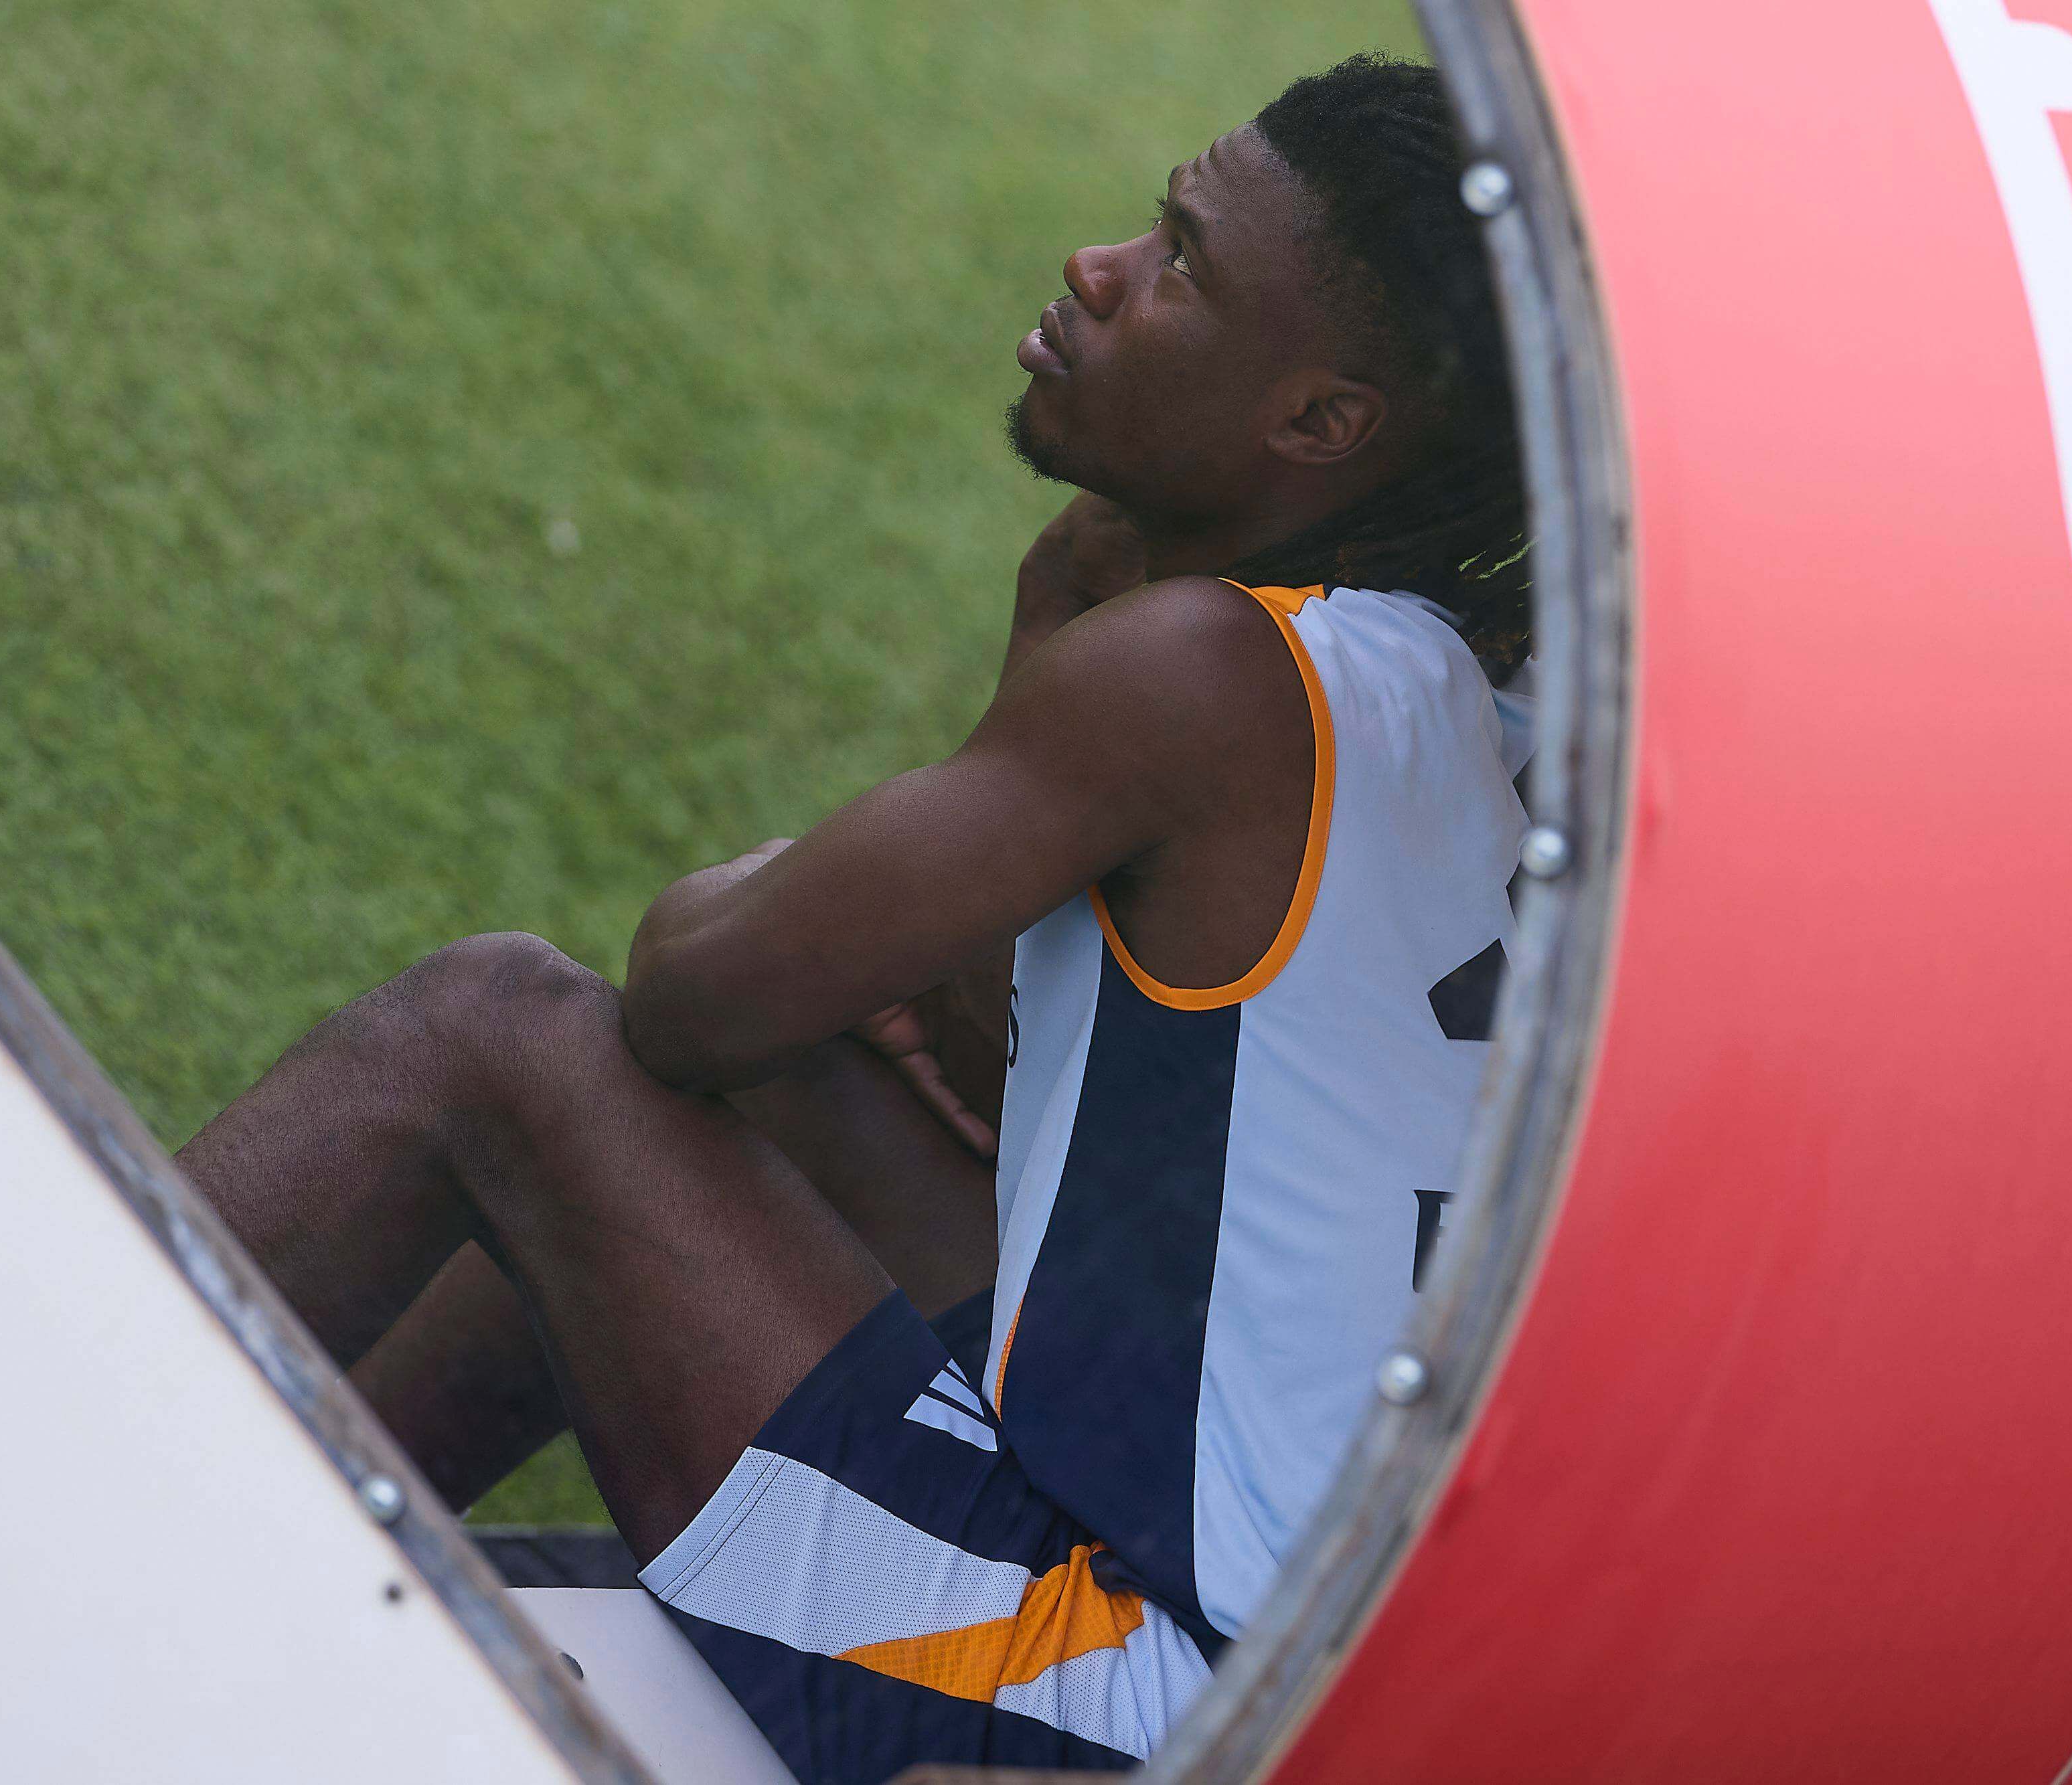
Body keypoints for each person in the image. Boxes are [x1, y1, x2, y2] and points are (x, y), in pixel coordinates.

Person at [177, 53, 1532, 1783]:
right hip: (1288, 1656)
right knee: (799, 1083)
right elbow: (1007, 1068)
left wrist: (1013, 690)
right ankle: (269, 1538)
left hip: (1129, 1714)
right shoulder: (1466, 698)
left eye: (1183, 263)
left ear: (1322, 422)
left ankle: (20, 1474)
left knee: (494, 1031)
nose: (1099, 267)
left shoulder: (1207, 675)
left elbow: (693, 994)